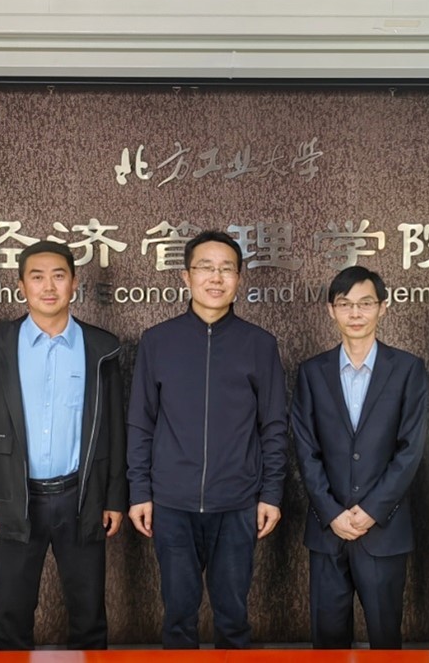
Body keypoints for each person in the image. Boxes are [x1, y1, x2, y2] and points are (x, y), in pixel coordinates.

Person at [126, 230, 288, 649]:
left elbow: (273, 426)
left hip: (237, 502)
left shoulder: (259, 344)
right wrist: (140, 492)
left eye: (226, 269)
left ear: (238, 278)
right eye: (205, 268)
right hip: (172, 503)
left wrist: (270, 494)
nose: (216, 278)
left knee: (233, 617)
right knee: (178, 616)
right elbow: (141, 423)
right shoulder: (158, 341)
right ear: (186, 276)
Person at [0, 240, 126, 650]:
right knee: (13, 616)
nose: (48, 287)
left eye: (58, 276)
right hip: (15, 498)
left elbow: (114, 430)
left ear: (74, 283)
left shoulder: (100, 348)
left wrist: (114, 497)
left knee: (89, 615)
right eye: (37, 277)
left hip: (80, 497)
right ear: (22, 286)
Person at [291, 266, 428, 649]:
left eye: (365, 303)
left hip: (383, 530)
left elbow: (410, 448)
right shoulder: (312, 372)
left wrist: (371, 510)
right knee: (328, 643)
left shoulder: (407, 369)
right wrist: (332, 512)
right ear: (331, 310)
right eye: (345, 304)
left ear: (383, 307)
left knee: (385, 640)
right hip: (328, 530)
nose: (355, 313)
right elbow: (305, 448)